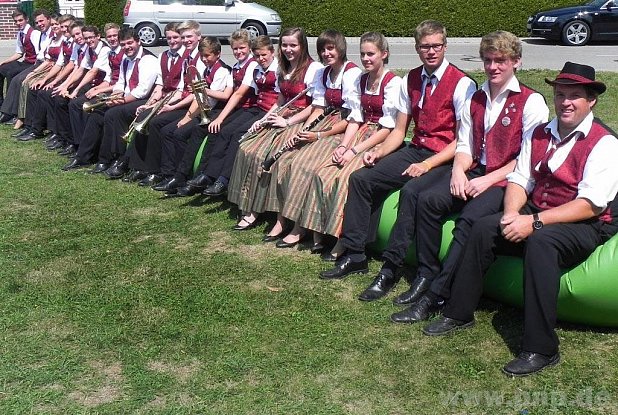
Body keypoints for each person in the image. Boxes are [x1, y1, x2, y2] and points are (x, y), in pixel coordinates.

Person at [423, 61, 618, 377]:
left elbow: (590, 205)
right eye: (560, 95)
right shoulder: (542, 133)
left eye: (575, 96)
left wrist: (534, 222)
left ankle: (542, 348)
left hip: (584, 224)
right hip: (540, 210)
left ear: (591, 100)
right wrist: (511, 214)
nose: (565, 102)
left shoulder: (605, 143)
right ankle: (459, 312)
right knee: (484, 225)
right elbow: (520, 178)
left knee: (541, 241)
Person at [362, 31, 549, 308]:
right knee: (425, 199)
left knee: (469, 220)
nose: (493, 67)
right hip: (474, 170)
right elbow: (465, 144)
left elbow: (527, 159)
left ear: (516, 62)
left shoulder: (531, 102)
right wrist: (459, 171)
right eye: (488, 61)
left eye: (501, 61)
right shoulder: (478, 97)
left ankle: (439, 292)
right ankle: (425, 272)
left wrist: (486, 181)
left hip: (506, 180)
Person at [320, 20, 476, 279]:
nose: (431, 51)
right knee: (360, 179)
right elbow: (399, 131)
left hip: (446, 157)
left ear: (445, 47)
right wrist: (379, 152)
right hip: (415, 148)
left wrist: (427, 165)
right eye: (425, 46)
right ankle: (355, 254)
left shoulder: (462, 83)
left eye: (436, 45)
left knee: (411, 191)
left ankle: (392, 266)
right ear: (417, 48)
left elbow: (462, 140)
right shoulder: (411, 79)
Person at [274, 31, 399, 251]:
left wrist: (354, 149)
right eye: (363, 54)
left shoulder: (393, 82)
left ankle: (342, 238)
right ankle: (313, 228)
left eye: (371, 54)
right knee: (323, 171)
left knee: (345, 178)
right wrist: (344, 145)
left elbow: (388, 127)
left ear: (384, 54)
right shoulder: (362, 79)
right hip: (359, 132)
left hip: (380, 138)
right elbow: (355, 118)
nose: (366, 59)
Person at [228, 26, 322, 231]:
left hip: (298, 119)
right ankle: (248, 204)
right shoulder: (283, 67)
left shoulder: (313, 69)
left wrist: (287, 122)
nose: (289, 49)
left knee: (264, 155)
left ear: (302, 45)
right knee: (248, 148)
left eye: (293, 45)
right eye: (285, 45)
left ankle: (257, 210)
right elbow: (280, 100)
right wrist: (266, 117)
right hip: (282, 115)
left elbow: (314, 107)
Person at [273, 29, 362, 247]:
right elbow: (319, 107)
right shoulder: (323, 73)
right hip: (325, 121)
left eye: (330, 48)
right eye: (322, 49)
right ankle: (289, 220)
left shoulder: (351, 73)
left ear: (340, 48)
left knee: (305, 165)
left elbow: (352, 116)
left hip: (343, 127)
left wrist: (319, 134)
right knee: (290, 160)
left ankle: (304, 227)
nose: (326, 53)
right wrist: (305, 131)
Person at [163, 29, 259, 196]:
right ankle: (184, 175)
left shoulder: (251, 65)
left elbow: (234, 94)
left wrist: (219, 118)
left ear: (249, 47)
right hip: (234, 108)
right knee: (196, 130)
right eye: (235, 49)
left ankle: (204, 175)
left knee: (212, 130)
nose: (238, 52)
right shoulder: (236, 67)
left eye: (242, 48)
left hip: (245, 109)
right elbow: (230, 92)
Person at [141, 35, 233, 189]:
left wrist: (190, 113)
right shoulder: (207, 69)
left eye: (208, 56)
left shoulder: (222, 71)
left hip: (213, 111)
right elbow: (198, 97)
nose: (204, 59)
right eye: (202, 56)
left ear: (217, 54)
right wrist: (186, 116)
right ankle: (169, 173)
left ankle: (183, 176)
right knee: (167, 131)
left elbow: (213, 98)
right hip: (203, 110)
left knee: (180, 134)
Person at [62, 27, 158, 171]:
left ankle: (115, 159)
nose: (127, 47)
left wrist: (122, 100)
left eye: (130, 43)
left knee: (114, 114)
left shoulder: (148, 59)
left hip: (143, 100)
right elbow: (120, 82)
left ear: (138, 42)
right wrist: (116, 94)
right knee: (97, 113)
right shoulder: (126, 58)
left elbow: (143, 90)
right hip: (127, 96)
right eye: (124, 44)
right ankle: (84, 156)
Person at [0, 9, 52, 126]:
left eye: (20, 20)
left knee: (14, 76)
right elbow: (19, 53)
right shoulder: (20, 33)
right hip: (28, 61)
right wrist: (3, 62)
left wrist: (34, 70)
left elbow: (40, 54)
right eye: (16, 21)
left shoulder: (34, 33)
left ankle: (10, 113)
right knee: (3, 69)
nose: (18, 23)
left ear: (26, 19)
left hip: (34, 63)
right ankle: (2, 105)